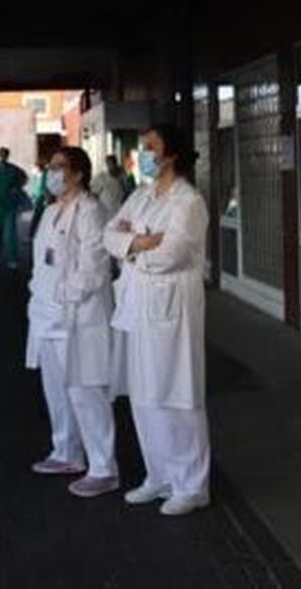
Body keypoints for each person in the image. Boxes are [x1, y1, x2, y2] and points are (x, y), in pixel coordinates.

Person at [103, 124, 212, 516]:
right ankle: (159, 476)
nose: (144, 152)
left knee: (177, 394)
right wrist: (138, 242)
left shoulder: (189, 202)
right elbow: (108, 234)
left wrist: (131, 249)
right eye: (143, 146)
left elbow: (173, 255)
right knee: (145, 396)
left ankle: (191, 485)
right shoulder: (142, 194)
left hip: (172, 309)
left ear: (172, 154)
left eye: (151, 146)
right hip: (137, 306)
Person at [24, 147, 118, 499]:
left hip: (79, 316)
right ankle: (66, 452)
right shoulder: (50, 211)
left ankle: (104, 468)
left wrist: (66, 294)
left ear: (77, 173)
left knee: (86, 392)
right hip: (46, 314)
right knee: (57, 391)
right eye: (50, 168)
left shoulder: (91, 211)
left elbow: (94, 268)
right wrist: (40, 293)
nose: (52, 174)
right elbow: (42, 262)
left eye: (59, 168)